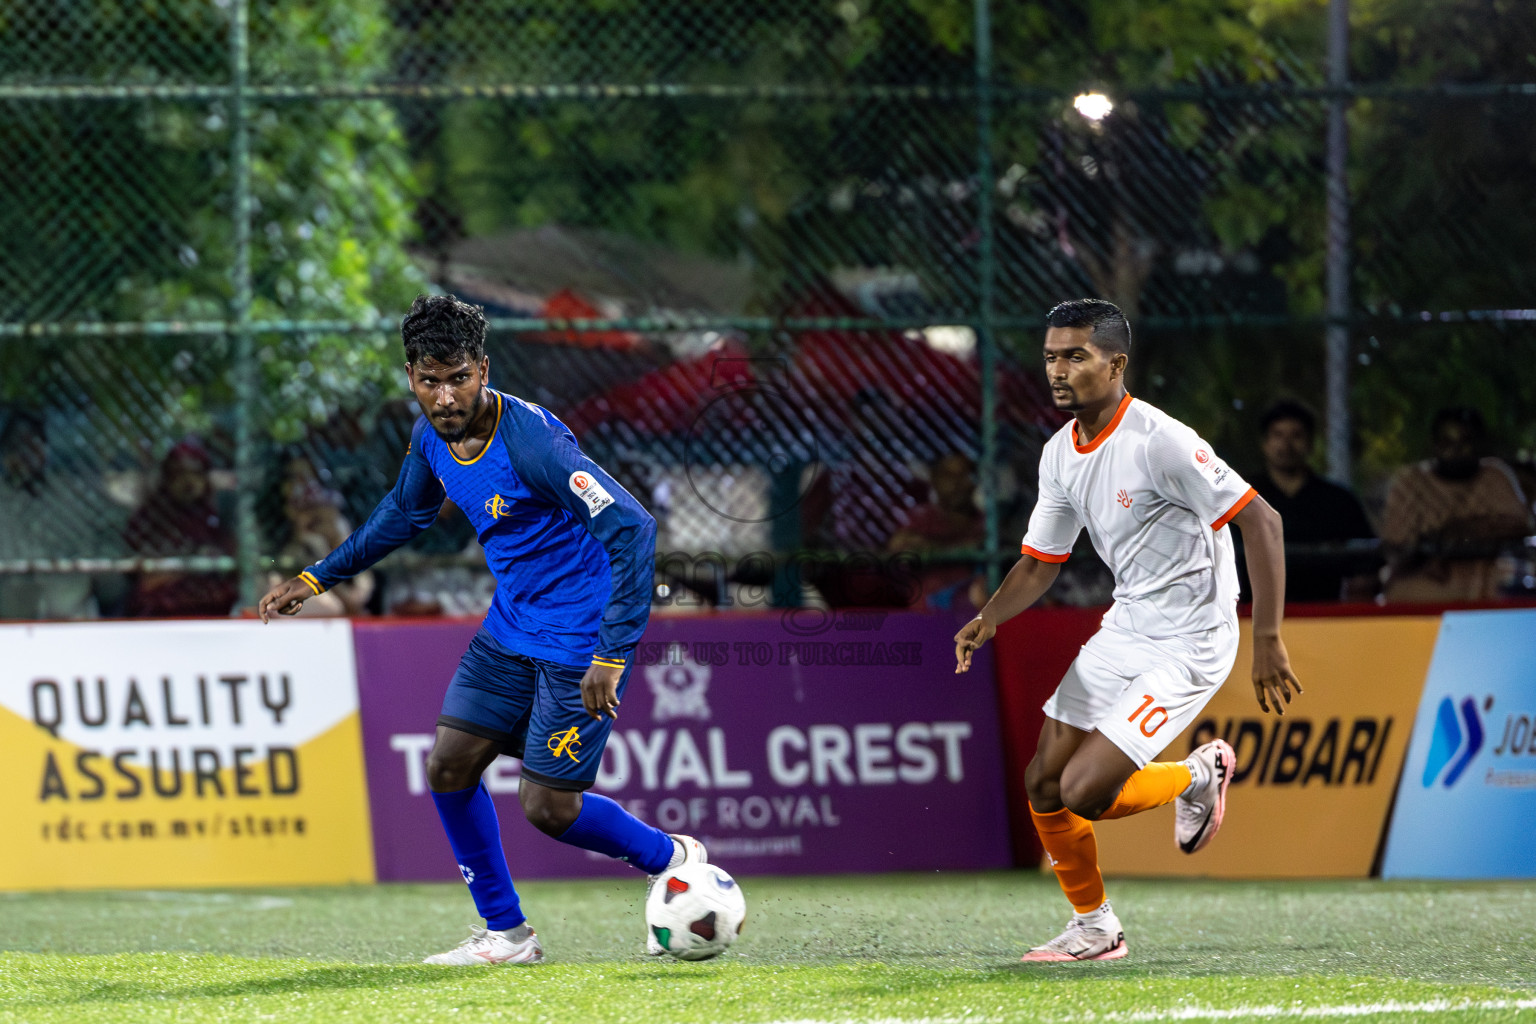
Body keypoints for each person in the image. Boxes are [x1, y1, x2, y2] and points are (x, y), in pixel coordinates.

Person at [258, 294, 707, 966]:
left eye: (459, 377)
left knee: (548, 808)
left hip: (577, 639)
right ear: (411, 376)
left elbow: (632, 527)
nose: (445, 397)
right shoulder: (428, 438)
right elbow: (401, 517)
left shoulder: (532, 443)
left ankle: (672, 856)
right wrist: (318, 577)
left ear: (484, 369)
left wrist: (611, 654)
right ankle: (508, 935)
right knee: (449, 765)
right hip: (510, 629)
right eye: (430, 381)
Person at [954, 299, 1301, 962]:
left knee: (1086, 791)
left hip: (1192, 639)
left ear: (1116, 364)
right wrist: (988, 618)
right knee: (1042, 782)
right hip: (1128, 627)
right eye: (1052, 355)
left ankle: (1199, 775)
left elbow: (1263, 523)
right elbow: (1040, 561)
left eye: (1075, 356)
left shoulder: (1159, 440)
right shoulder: (1060, 453)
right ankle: (1095, 928)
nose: (1058, 369)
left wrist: (1267, 639)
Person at [1380, 407, 1534, 602]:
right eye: (1447, 442)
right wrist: (1436, 548)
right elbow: (1395, 547)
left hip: (1481, 603)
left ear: (1478, 444)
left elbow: (1520, 525)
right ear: (1434, 444)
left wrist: (1462, 531)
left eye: (1465, 441)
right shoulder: (1409, 482)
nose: (1456, 450)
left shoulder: (1495, 476)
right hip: (1415, 605)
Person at [1245, 400, 1377, 601]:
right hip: (1252, 615)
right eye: (1278, 435)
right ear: (1265, 444)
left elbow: (1367, 561)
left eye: (1296, 436)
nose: (1286, 445)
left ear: (1310, 444)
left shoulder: (1338, 500)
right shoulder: (1240, 498)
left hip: (1323, 616)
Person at [123, 437, 238, 617]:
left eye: (196, 473)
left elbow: (237, 565)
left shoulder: (213, 517)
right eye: (179, 473)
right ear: (167, 478)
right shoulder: (151, 518)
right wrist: (194, 561)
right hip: (160, 612)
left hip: (214, 611)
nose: (188, 481)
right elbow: (145, 580)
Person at [887, 452, 986, 610]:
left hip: (977, 614)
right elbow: (900, 548)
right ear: (934, 479)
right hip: (930, 613)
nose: (956, 484)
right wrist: (962, 548)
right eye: (948, 476)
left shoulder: (985, 522)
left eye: (964, 475)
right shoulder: (920, 518)